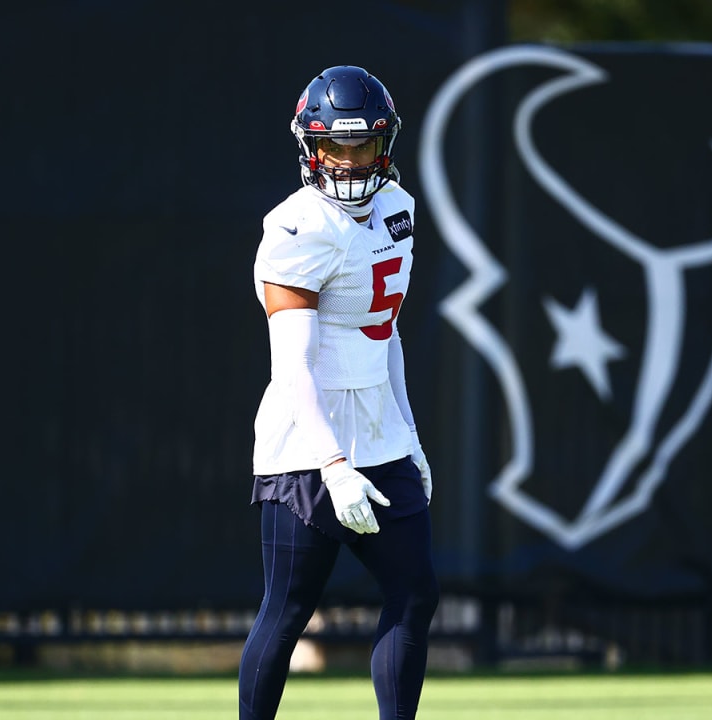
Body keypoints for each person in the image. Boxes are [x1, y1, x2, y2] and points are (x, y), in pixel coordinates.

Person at [238, 65, 439, 720]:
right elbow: (292, 367)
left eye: (362, 147)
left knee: (415, 595)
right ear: (310, 147)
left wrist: (407, 435)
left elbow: (388, 336)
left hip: (379, 432)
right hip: (309, 440)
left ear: (385, 146)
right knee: (288, 610)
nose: (349, 163)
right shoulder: (296, 228)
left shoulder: (398, 210)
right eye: (334, 147)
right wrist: (332, 466)